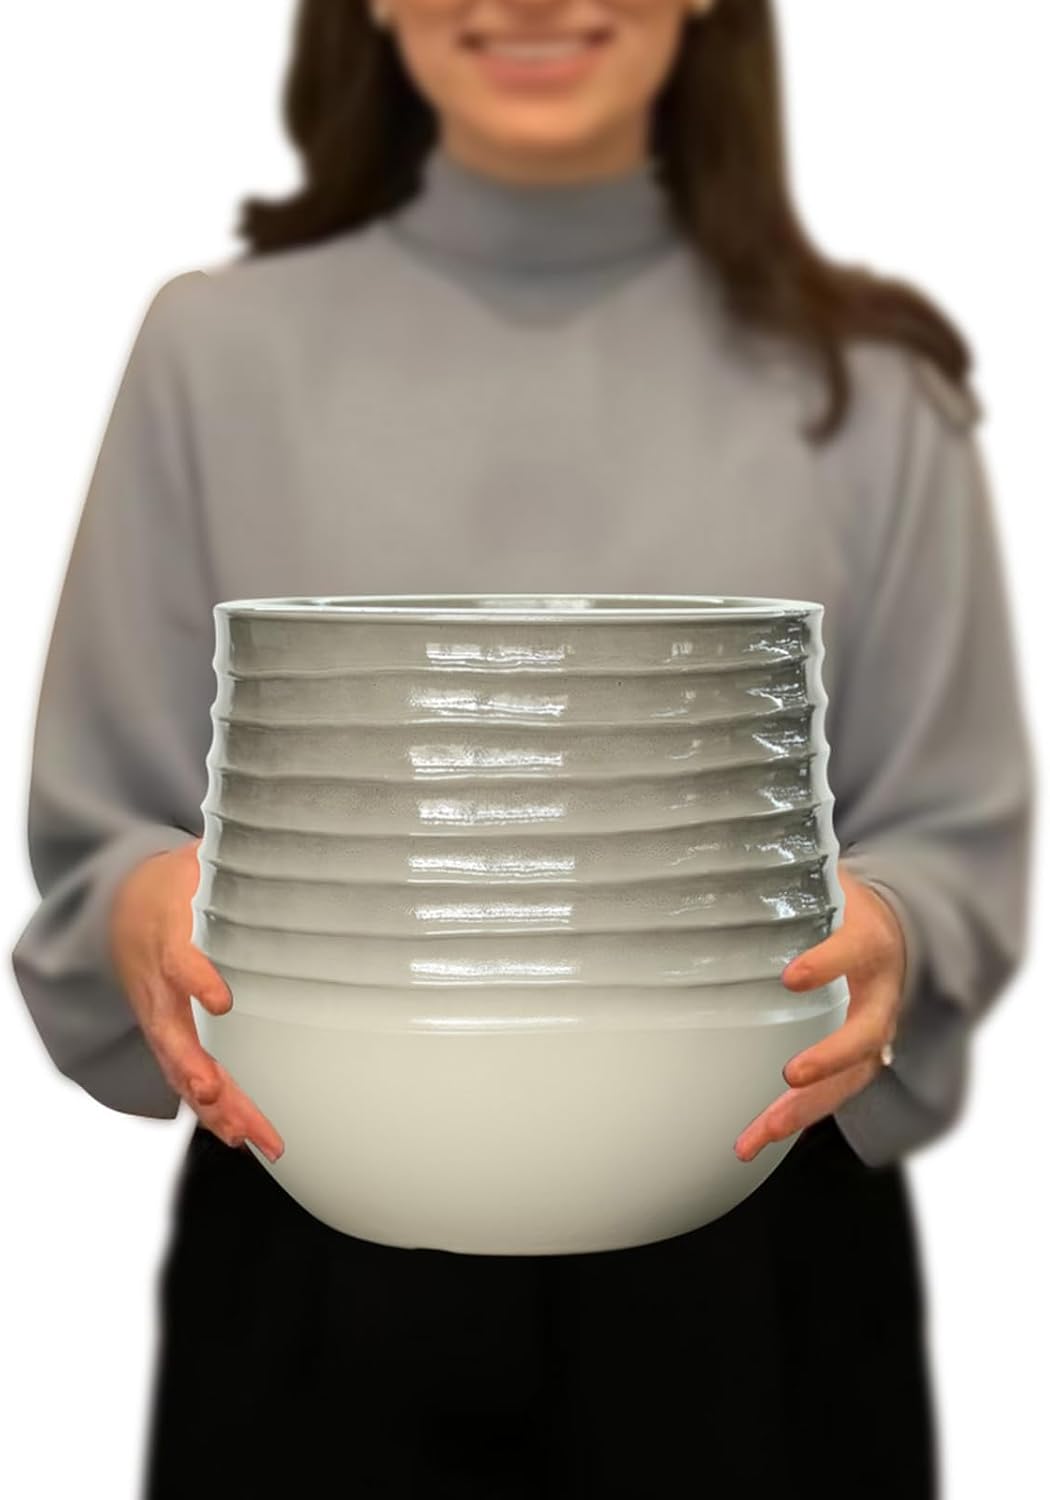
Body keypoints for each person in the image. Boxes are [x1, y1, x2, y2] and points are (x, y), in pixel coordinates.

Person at [9, 1, 1035, 1495]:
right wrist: (137, 910)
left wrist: (895, 937)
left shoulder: (870, 378)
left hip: (759, 1247)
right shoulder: (214, 349)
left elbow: (953, 826)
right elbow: (104, 816)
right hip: (312, 1222)